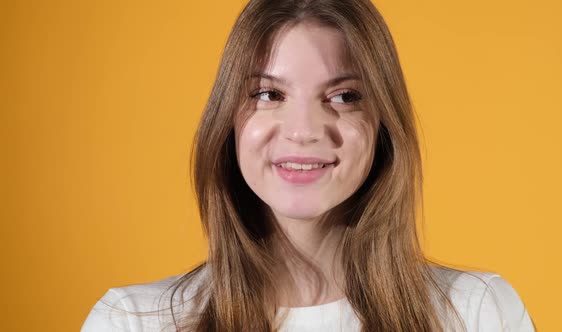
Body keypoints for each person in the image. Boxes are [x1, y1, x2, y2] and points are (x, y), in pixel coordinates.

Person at [81, 0, 535, 331]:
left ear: (383, 125)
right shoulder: (130, 321)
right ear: (228, 122)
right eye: (268, 94)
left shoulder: (477, 313)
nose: (304, 129)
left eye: (343, 96)